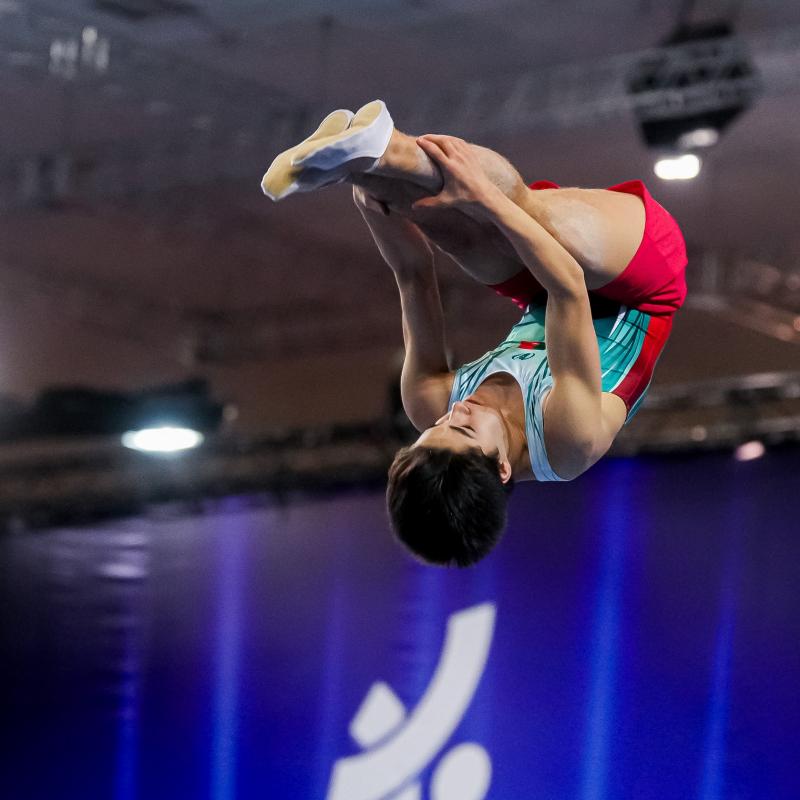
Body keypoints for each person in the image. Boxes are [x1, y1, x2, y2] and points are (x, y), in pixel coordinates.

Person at [261, 101, 687, 567]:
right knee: (526, 212)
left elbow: (413, 274)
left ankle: (368, 153)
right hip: (641, 285)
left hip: (540, 292)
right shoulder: (569, 439)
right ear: (502, 469)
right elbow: (568, 287)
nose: (455, 410)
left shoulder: (429, 402)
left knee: (448, 226)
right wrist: (488, 198)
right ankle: (391, 150)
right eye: (463, 428)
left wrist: (366, 191)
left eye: (437, 428)